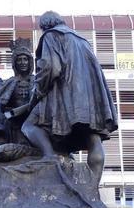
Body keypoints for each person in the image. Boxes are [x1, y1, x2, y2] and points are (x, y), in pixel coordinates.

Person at [19, 11, 119, 181]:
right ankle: (92, 190)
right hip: (91, 98)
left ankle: (50, 157)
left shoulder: (52, 36)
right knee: (93, 138)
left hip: (65, 96)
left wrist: (38, 92)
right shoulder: (82, 41)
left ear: (45, 26)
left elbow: (51, 68)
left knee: (29, 126)